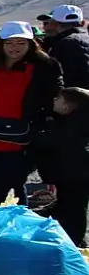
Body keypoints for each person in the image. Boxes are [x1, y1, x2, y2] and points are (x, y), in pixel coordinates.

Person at [0, 21, 63, 206]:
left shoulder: (44, 67)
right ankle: (3, 225)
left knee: (14, 184)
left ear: (30, 44)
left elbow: (52, 97)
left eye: (20, 42)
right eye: (9, 42)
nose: (14, 48)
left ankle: (15, 225)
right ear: (0, 44)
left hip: (23, 137)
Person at [32, 87, 89, 247]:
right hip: (75, 174)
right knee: (72, 206)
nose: (54, 100)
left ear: (67, 107)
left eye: (58, 98)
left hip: (73, 175)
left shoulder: (71, 126)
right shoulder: (77, 122)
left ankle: (75, 242)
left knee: (73, 209)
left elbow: (51, 142)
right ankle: (74, 239)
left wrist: (37, 137)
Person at [36, 4, 89, 90]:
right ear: (83, 23)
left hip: (73, 99)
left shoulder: (64, 44)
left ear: (55, 24)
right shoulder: (84, 39)